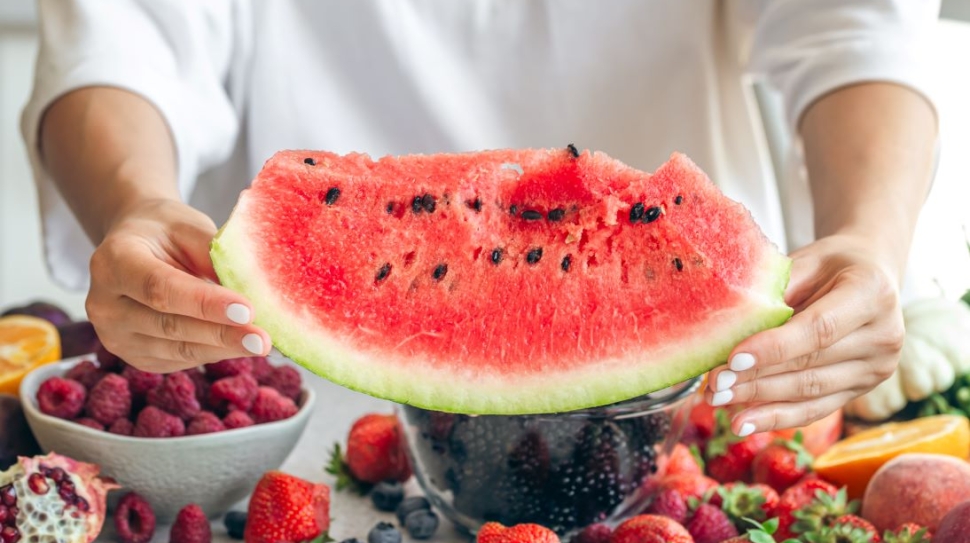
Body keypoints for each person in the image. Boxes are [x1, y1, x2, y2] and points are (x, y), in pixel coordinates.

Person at [21, 1, 940, 436]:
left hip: (694, 403)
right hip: (301, 403)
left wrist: (869, 237)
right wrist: (137, 202)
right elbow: (119, 40)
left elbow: (857, 31)